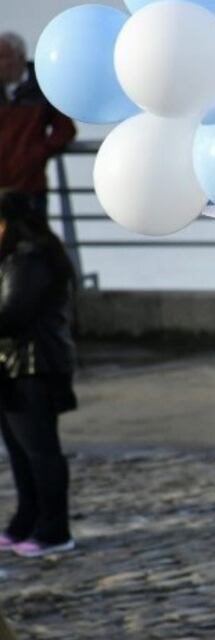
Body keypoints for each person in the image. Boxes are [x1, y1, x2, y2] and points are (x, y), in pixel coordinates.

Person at [0, 190, 78, 557]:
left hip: (33, 366)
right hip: (12, 366)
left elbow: (12, 314)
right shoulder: (15, 257)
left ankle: (54, 530)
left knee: (41, 452)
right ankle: (25, 521)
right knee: (19, 451)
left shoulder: (29, 259)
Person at [0, 32, 77, 217]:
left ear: (19, 58)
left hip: (30, 187)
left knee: (31, 233)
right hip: (4, 184)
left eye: (3, 58)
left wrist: (38, 152)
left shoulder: (43, 86)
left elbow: (65, 129)